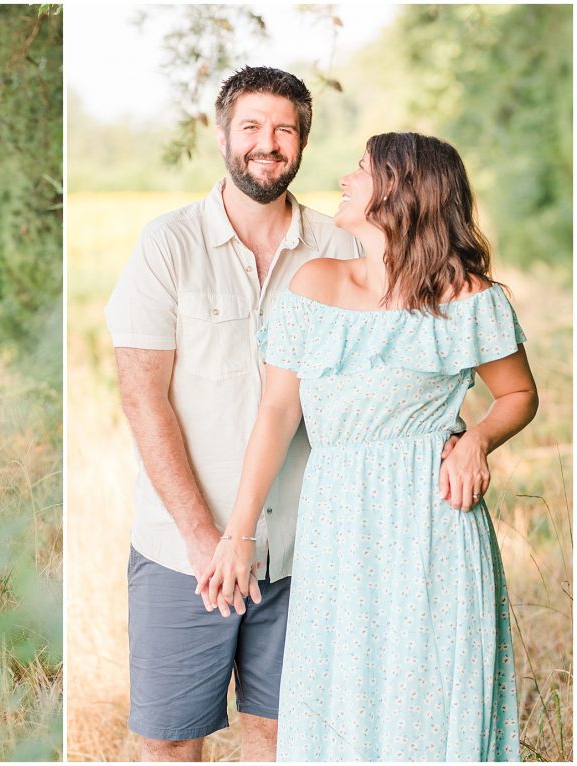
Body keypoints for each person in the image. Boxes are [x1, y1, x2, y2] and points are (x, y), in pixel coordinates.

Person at [198, 132, 537, 760]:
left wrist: (477, 441)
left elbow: (518, 394)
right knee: (339, 696)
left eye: (362, 169)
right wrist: (238, 532)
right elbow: (276, 413)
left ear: (401, 192)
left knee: (433, 698)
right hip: (340, 524)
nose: (346, 179)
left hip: (434, 523)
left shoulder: (469, 298)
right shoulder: (313, 284)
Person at [104, 67, 361, 761]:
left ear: (302, 143)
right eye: (251, 126)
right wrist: (200, 536)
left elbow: (386, 366)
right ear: (223, 135)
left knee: (284, 735)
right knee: (172, 739)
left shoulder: (342, 248)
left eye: (284, 129)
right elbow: (142, 397)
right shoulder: (168, 244)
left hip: (310, 544)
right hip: (182, 549)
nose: (266, 143)